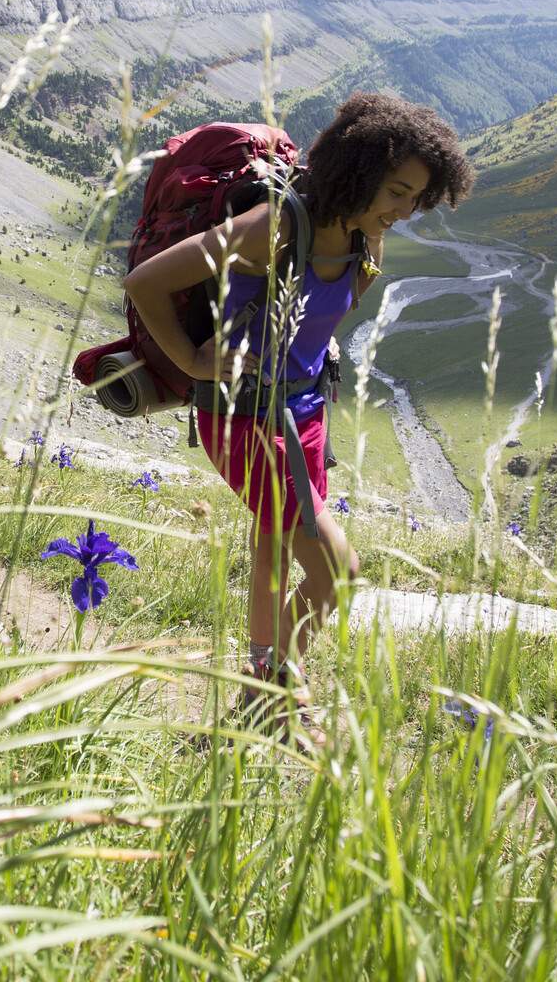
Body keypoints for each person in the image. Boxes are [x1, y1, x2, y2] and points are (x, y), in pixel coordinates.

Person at [123, 91, 475, 744]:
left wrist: (318, 342)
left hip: (306, 412)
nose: (404, 212)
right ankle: (277, 695)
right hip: (245, 418)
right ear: (361, 169)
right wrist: (196, 364)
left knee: (274, 553)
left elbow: (331, 307)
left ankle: (265, 694)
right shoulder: (277, 227)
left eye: (416, 199)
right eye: (396, 191)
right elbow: (145, 282)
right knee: (337, 570)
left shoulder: (367, 235)